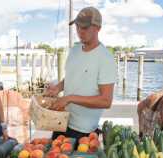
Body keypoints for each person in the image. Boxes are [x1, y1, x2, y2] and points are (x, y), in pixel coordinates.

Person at [45, 7, 117, 146]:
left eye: (85, 27)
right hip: (62, 122)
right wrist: (58, 88)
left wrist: (70, 98)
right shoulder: (75, 50)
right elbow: (71, 77)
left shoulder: (105, 58)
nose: (80, 31)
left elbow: (106, 101)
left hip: (83, 132)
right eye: (77, 26)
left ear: (98, 28)